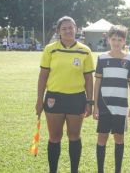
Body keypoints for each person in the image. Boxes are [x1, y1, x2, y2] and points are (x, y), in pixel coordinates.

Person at [35, 16, 94, 173]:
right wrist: (39, 100)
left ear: (76, 29)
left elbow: (89, 78)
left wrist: (90, 101)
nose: (68, 30)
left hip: (77, 98)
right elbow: (43, 76)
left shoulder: (85, 51)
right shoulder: (50, 49)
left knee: (74, 136)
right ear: (58, 31)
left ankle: (74, 170)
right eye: (64, 28)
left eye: (71, 27)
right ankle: (53, 170)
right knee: (54, 137)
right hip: (54, 98)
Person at [93, 25, 130, 173]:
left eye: (120, 39)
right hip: (104, 104)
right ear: (108, 40)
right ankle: (100, 170)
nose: (117, 42)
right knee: (102, 137)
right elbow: (97, 82)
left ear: (124, 41)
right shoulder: (102, 58)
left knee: (119, 138)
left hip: (121, 105)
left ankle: (117, 170)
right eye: (114, 39)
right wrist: (95, 105)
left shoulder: (129, 59)